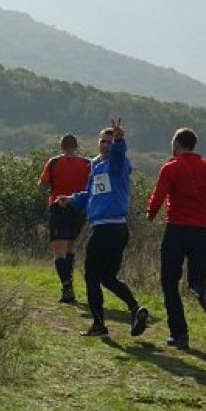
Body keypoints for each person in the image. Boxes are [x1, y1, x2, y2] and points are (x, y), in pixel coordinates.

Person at [59, 119, 148, 338]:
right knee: (107, 278)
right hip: (114, 230)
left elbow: (118, 155)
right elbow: (90, 194)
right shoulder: (96, 167)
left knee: (91, 276)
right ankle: (136, 309)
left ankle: (99, 326)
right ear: (98, 143)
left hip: (107, 229)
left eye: (110, 142)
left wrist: (119, 141)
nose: (106, 145)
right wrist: (71, 199)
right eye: (103, 141)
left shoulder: (118, 164)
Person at [147, 127, 206, 350]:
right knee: (197, 280)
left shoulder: (170, 168)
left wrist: (151, 213)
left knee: (169, 282)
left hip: (177, 229)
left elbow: (158, 196)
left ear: (176, 144)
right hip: (202, 231)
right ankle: (205, 294)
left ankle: (180, 334)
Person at [38, 134, 91, 303]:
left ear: (61, 146)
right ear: (77, 145)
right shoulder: (87, 163)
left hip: (59, 207)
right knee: (70, 247)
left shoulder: (54, 162)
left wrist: (49, 192)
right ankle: (69, 284)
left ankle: (67, 286)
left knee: (59, 251)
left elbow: (42, 186)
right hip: (79, 209)